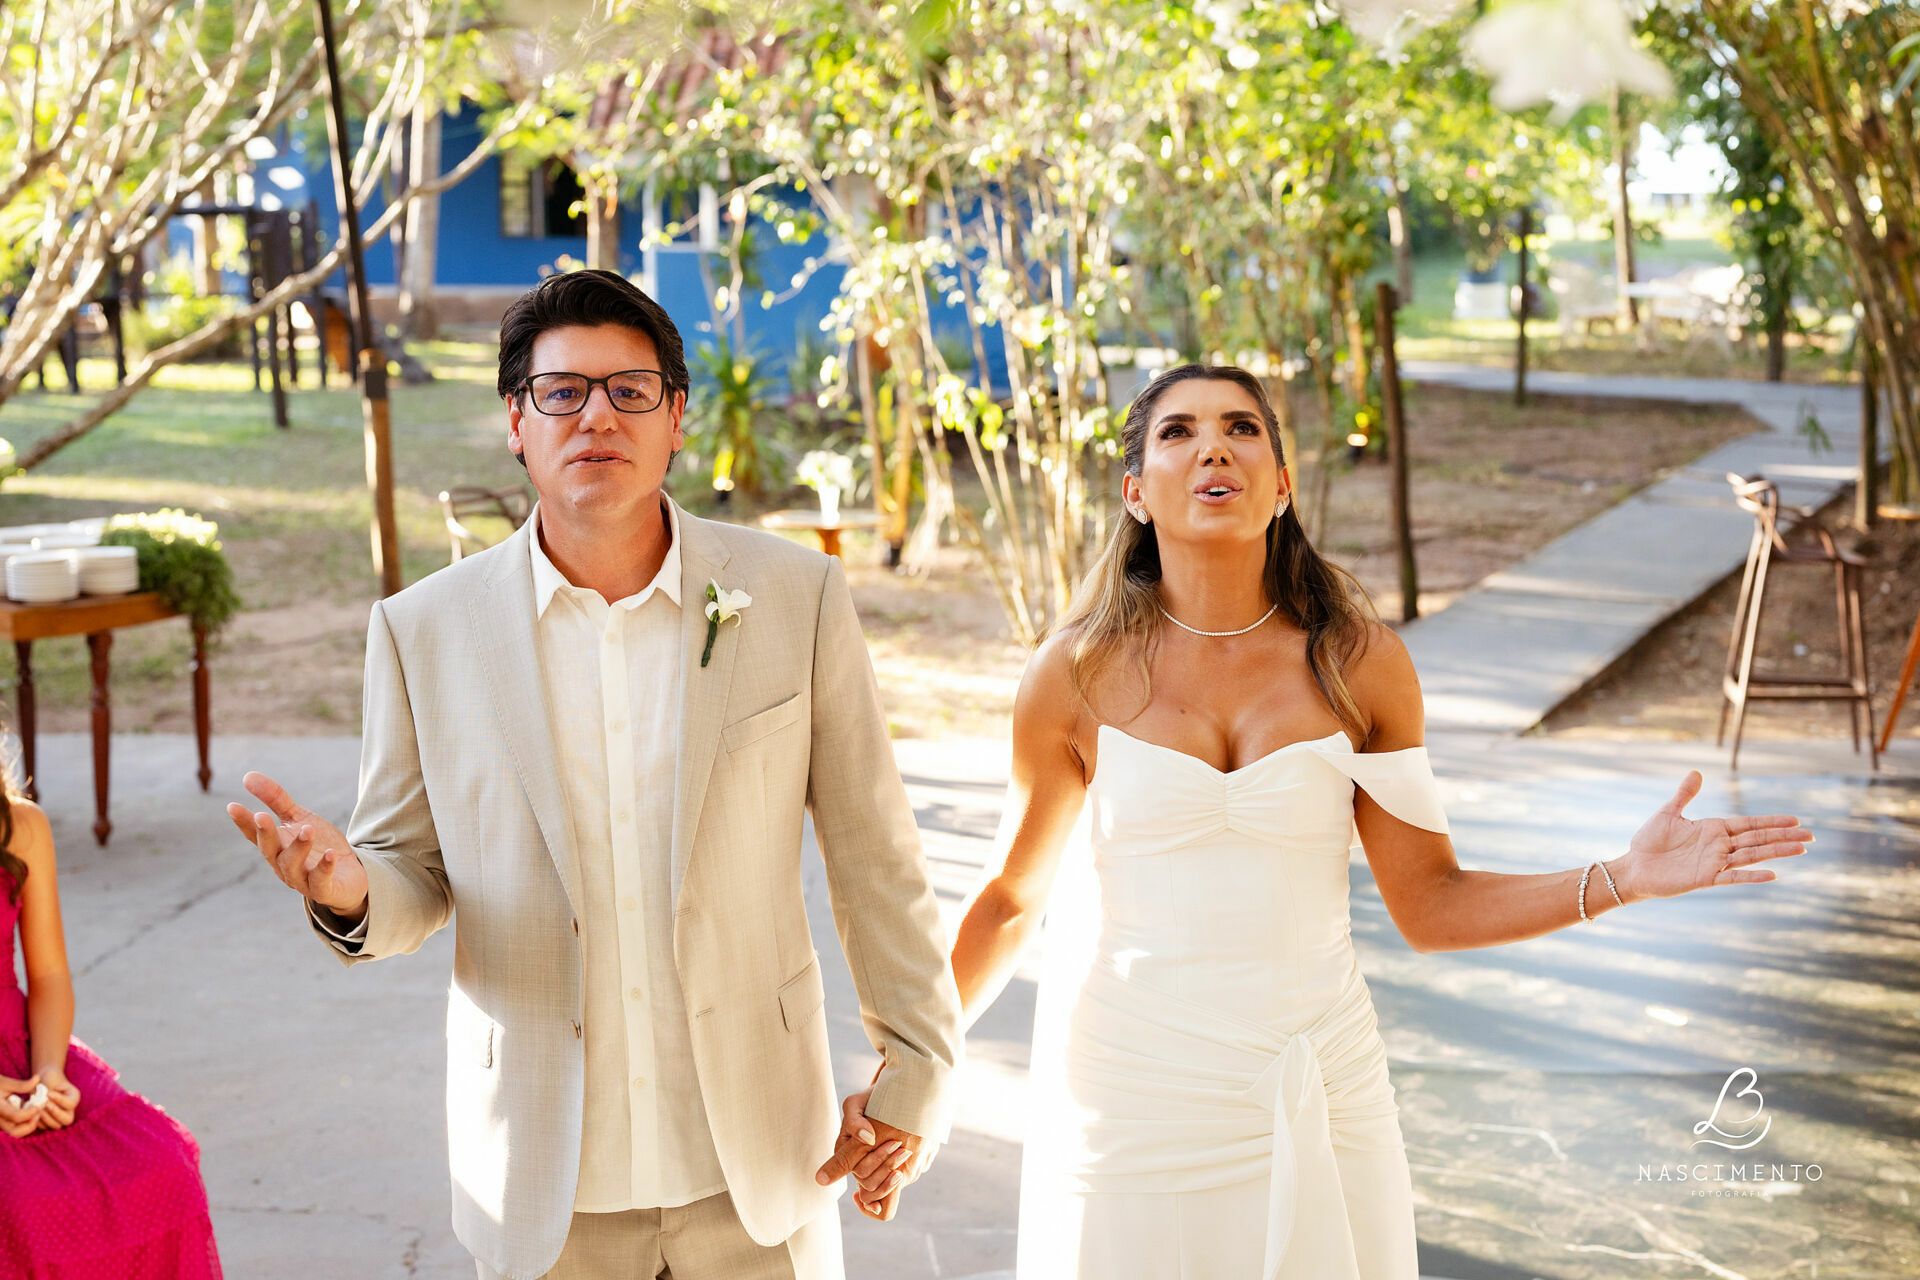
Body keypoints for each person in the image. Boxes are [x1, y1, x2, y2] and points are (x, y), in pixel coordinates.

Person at [832, 363, 1813, 1277]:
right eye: (1179, 431)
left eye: (1241, 428)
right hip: (1135, 1082)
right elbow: (1010, 899)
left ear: (1282, 481)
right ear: (1136, 491)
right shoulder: (1075, 674)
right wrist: (914, 1073)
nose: (1213, 448)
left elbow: (1430, 901)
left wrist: (1622, 877)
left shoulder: (1360, 662)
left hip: (1319, 1072)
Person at [226, 269, 962, 1280]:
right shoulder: (422, 630)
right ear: (518, 423)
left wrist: (916, 1070)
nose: (596, 417)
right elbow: (408, 871)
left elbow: (878, 855)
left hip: (755, 1164)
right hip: (542, 1188)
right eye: (561, 391)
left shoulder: (793, 595)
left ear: (678, 419)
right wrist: (349, 886)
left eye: (630, 389)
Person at [0, 773, 223, 1277]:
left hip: (28, 1049)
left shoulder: (19, 824)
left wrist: (51, 1071)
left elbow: (50, 974)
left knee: (165, 1167)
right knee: (18, 1207)